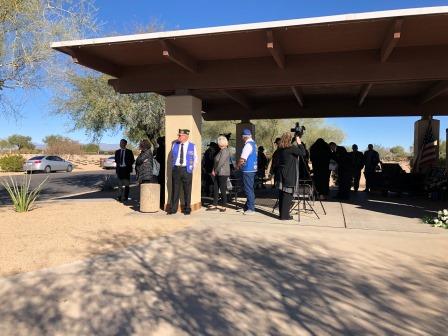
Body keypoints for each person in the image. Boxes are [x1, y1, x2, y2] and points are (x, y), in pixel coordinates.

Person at [277, 132, 306, 220]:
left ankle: (282, 214)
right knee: (287, 195)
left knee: (282, 194)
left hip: (281, 174)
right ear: (289, 139)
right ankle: (285, 216)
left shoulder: (280, 148)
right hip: (289, 174)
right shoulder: (291, 148)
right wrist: (299, 142)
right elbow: (303, 153)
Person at [167, 129, 198, 215]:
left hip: (186, 169)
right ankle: (173, 209)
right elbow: (172, 157)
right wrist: (173, 167)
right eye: (178, 135)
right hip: (176, 169)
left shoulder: (192, 146)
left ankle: (187, 208)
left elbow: (196, 158)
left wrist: (191, 169)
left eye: (180, 135)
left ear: (185, 136)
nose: (178, 137)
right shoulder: (174, 145)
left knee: (187, 190)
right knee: (175, 189)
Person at [236, 129, 257, 215]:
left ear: (244, 137)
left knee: (248, 189)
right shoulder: (254, 144)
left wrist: (237, 166)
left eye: (242, 138)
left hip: (248, 170)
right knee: (250, 188)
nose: (242, 139)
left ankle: (251, 209)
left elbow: (243, 158)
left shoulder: (247, 145)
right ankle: (247, 207)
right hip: (252, 169)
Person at [208, 135, 231, 212]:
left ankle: (224, 206)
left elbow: (221, 162)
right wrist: (213, 170)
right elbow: (217, 161)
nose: (217, 143)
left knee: (222, 189)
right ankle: (215, 204)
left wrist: (215, 171)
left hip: (222, 173)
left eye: (218, 142)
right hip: (219, 172)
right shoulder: (221, 151)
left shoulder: (225, 151)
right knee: (216, 188)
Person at [154, 136, 165, 209]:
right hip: (163, 170)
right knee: (163, 187)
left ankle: (161, 202)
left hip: (160, 170)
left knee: (161, 186)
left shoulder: (158, 150)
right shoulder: (164, 149)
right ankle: (162, 202)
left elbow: (157, 159)